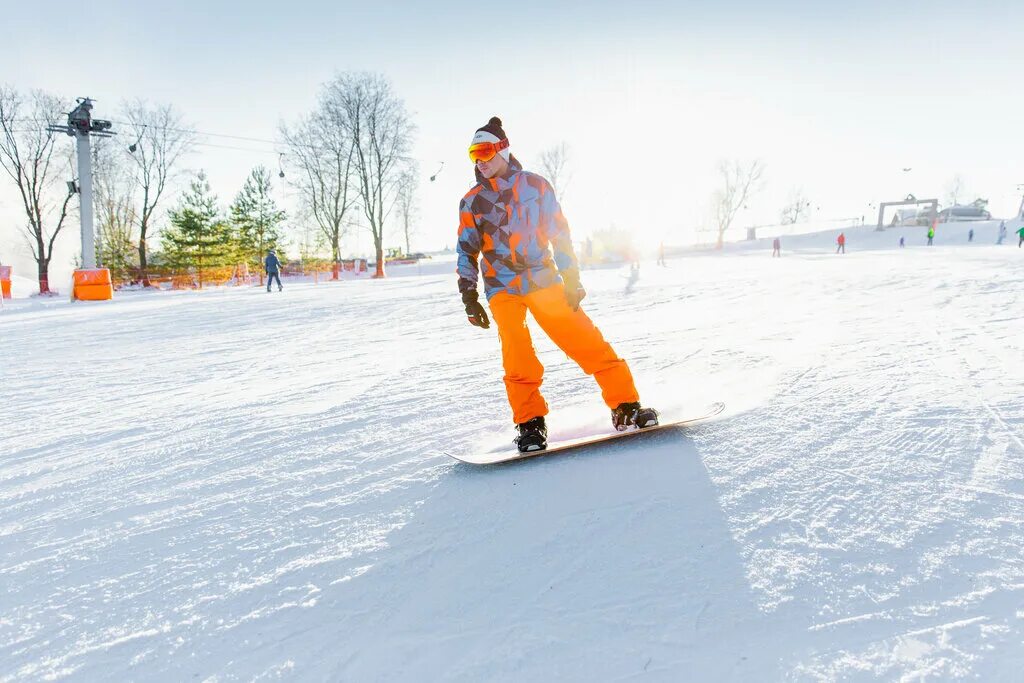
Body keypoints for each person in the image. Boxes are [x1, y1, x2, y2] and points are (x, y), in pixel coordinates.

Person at [456, 117, 658, 453]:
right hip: (502, 286)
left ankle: (625, 406)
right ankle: (530, 424)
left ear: (503, 150)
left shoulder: (535, 187)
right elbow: (466, 248)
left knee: (583, 339)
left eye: (486, 151)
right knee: (517, 354)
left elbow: (559, 234)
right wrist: (469, 294)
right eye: (473, 154)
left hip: (542, 278)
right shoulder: (472, 201)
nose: (480, 160)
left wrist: (572, 277)